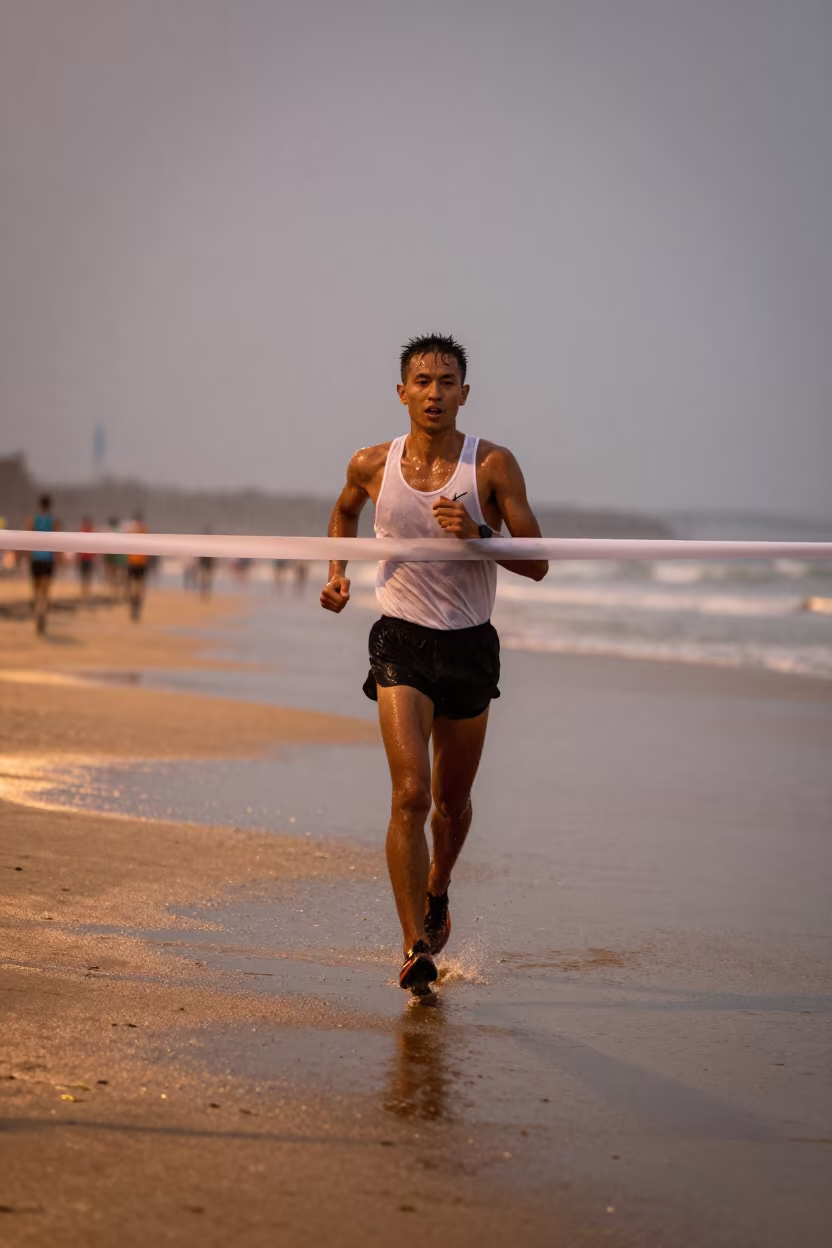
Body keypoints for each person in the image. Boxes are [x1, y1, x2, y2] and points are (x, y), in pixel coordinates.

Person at [320, 334, 548, 993]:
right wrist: (339, 574)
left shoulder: (493, 467)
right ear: (402, 392)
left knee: (451, 804)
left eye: (447, 382)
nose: (434, 393)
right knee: (411, 795)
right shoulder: (371, 462)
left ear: (464, 394)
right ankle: (415, 945)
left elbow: (537, 562)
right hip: (400, 640)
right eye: (422, 381)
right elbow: (343, 512)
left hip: (470, 644)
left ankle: (439, 887)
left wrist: (477, 535)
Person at [27, 494, 60, 634]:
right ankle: (43, 614)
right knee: (45, 592)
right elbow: (58, 541)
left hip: (36, 559)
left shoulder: (33, 520)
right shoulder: (54, 521)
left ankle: (37, 613)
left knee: (36, 590)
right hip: (48, 559)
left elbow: (27, 539)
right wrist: (59, 559)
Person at [126, 510, 149, 621]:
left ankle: (133, 602)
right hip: (141, 562)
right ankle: (137, 602)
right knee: (139, 584)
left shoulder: (131, 529)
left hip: (132, 561)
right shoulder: (144, 529)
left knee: (132, 584)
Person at [77, 516, 96, 599]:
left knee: (87, 575)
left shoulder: (89, 532)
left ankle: (86, 591)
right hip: (84, 558)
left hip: (88, 558)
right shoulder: (83, 532)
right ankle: (84, 591)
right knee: (84, 575)